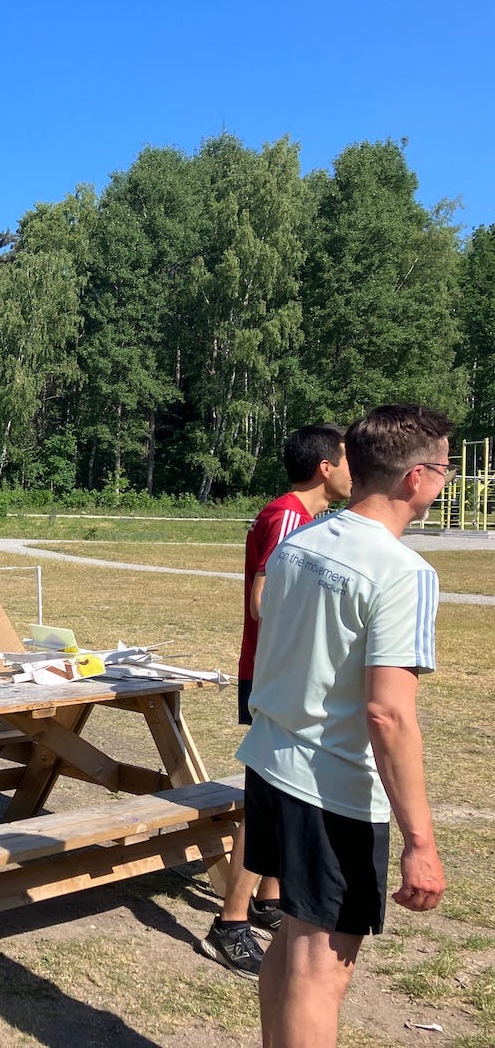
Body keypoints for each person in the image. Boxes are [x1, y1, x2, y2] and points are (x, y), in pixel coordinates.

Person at [237, 404, 450, 1047]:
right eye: (443, 467)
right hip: (333, 789)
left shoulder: (303, 539)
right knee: (323, 966)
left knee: (295, 944)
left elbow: (269, 622)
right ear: (416, 477)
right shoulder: (402, 571)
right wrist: (421, 841)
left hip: (272, 761)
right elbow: (387, 713)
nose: (443, 479)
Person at [203, 424, 352, 978]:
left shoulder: (300, 514)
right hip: (277, 676)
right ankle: (230, 923)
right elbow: (263, 600)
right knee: (269, 799)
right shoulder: (289, 516)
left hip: (280, 675)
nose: (355, 470)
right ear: (325, 467)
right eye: (348, 460)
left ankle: (268, 899)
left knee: (286, 792)